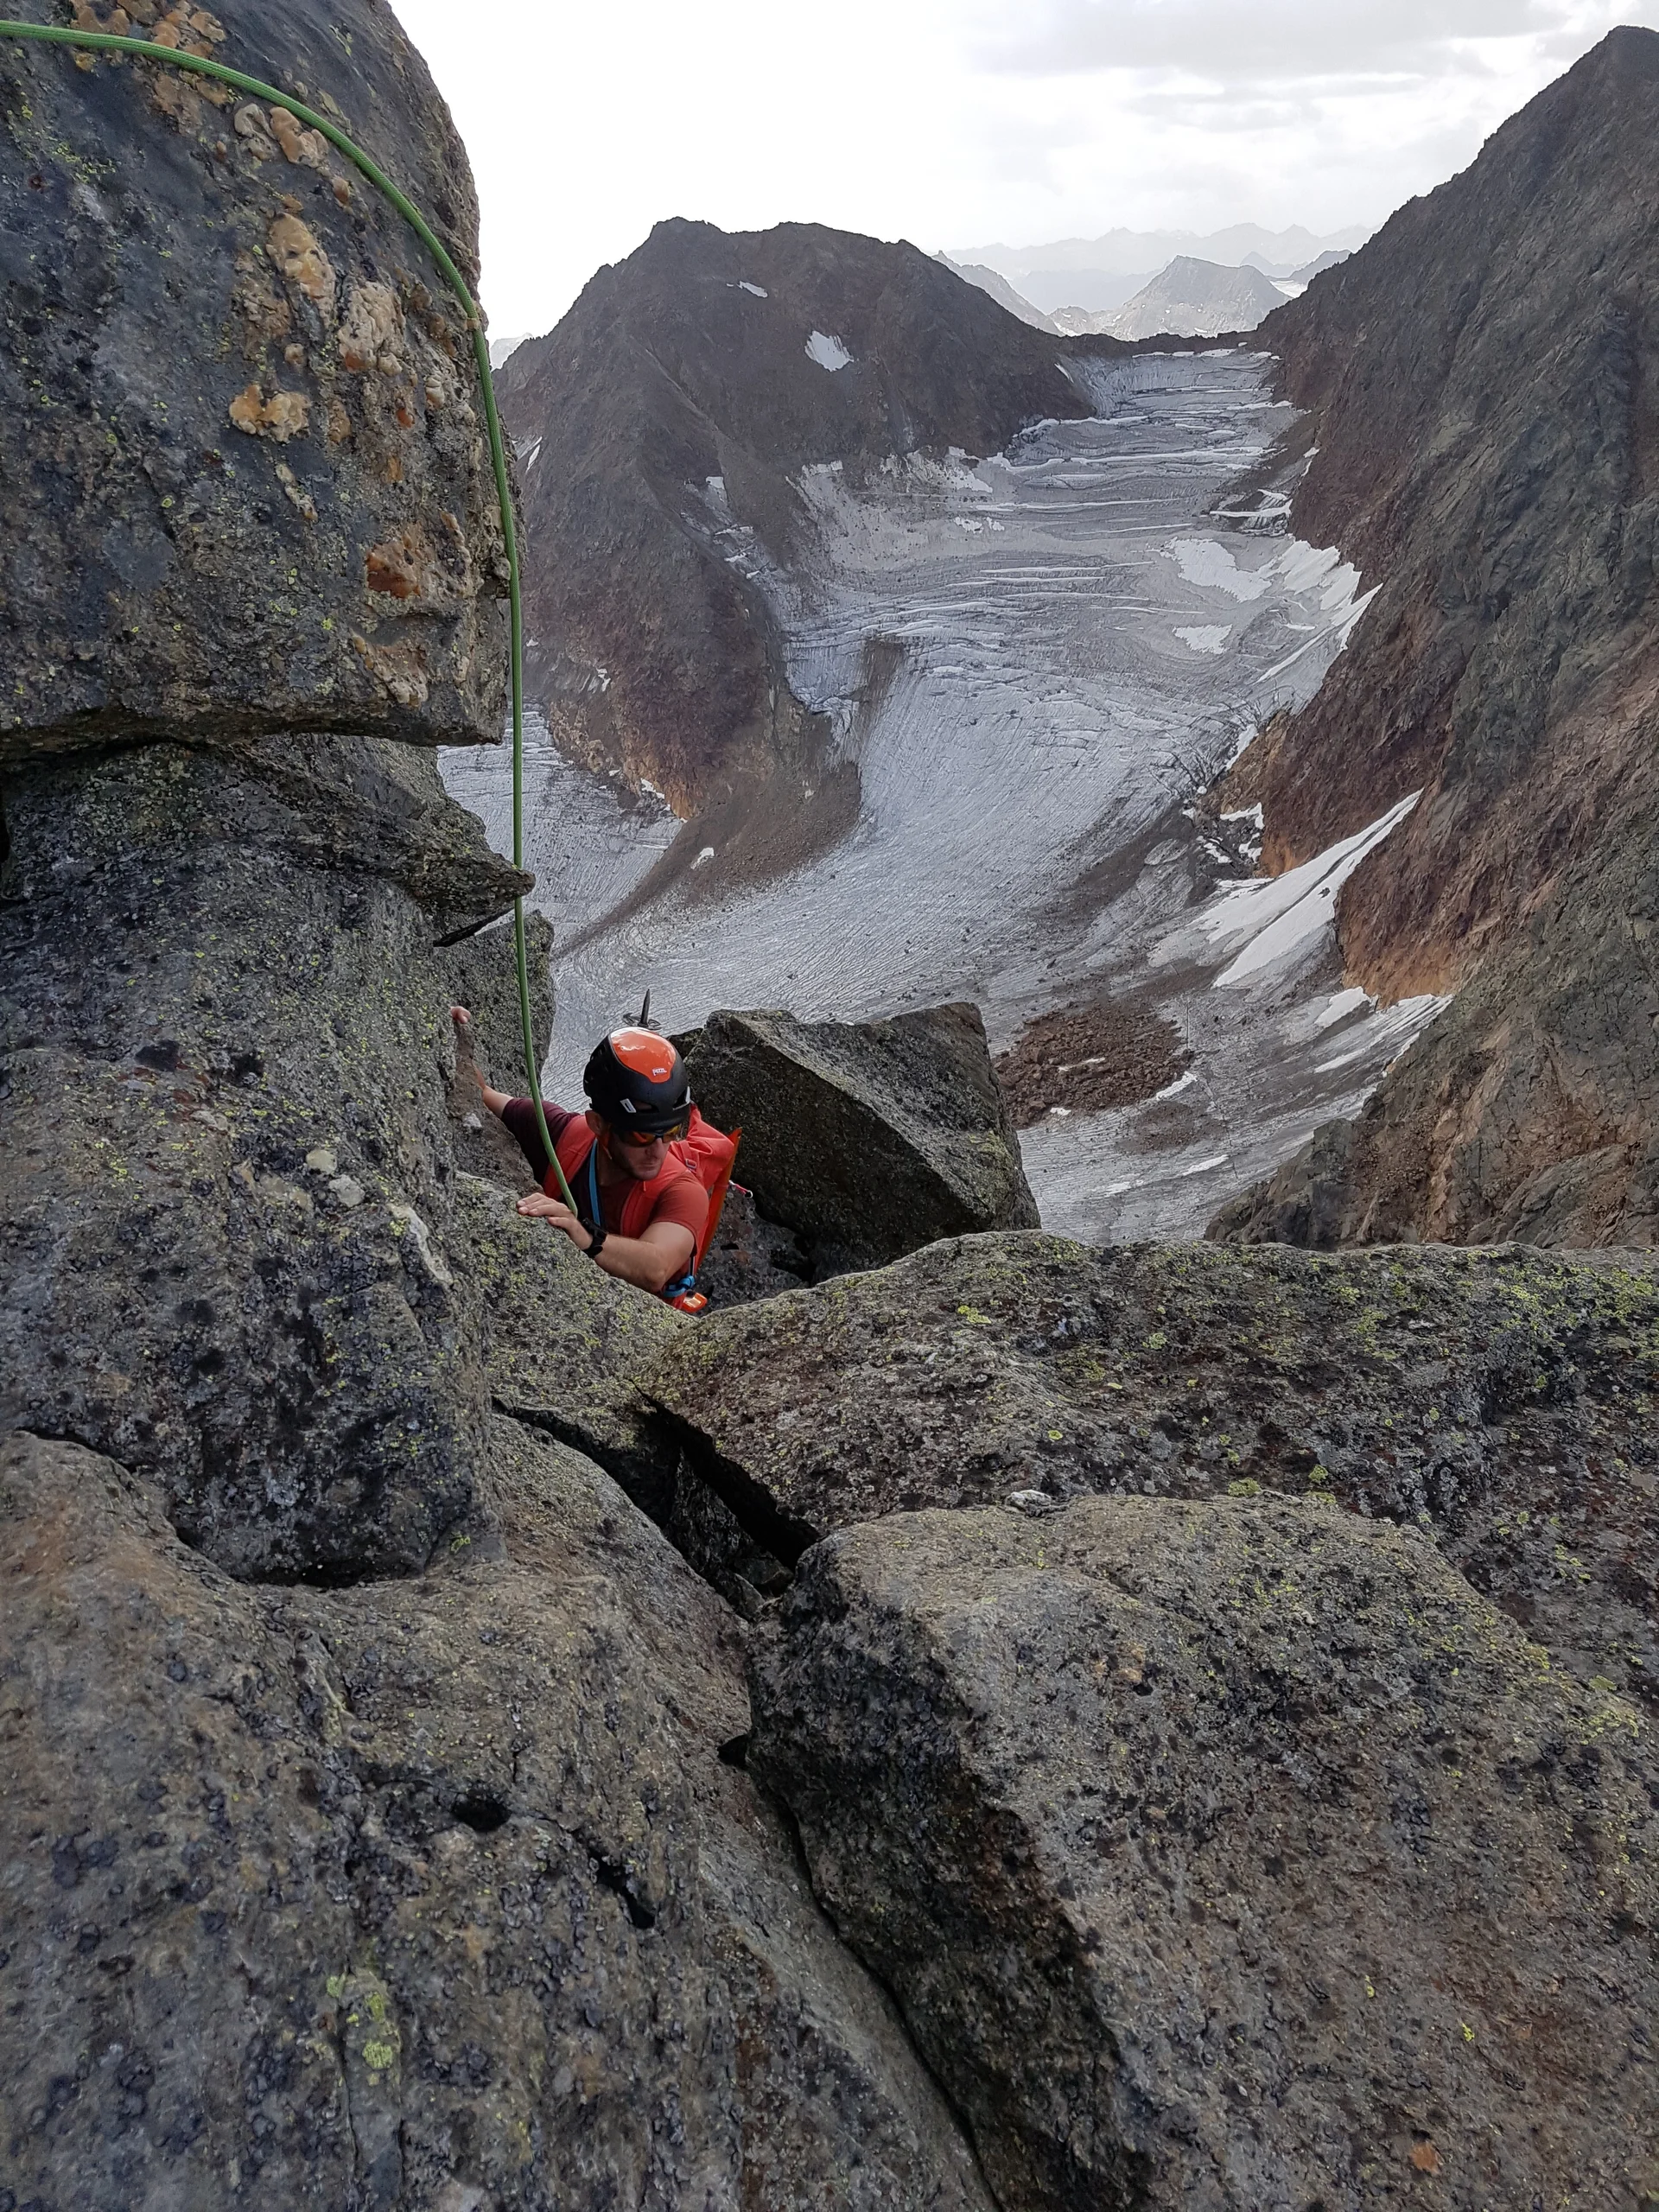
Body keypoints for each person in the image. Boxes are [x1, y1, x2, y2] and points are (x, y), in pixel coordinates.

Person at [453, 1009, 710, 1295]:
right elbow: (478, 1091)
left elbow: (656, 1268)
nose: (658, 1151)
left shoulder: (683, 1191)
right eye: (642, 1136)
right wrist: (448, 1030)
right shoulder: (560, 1133)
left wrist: (585, 1236)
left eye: (672, 1133)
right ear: (597, 1125)